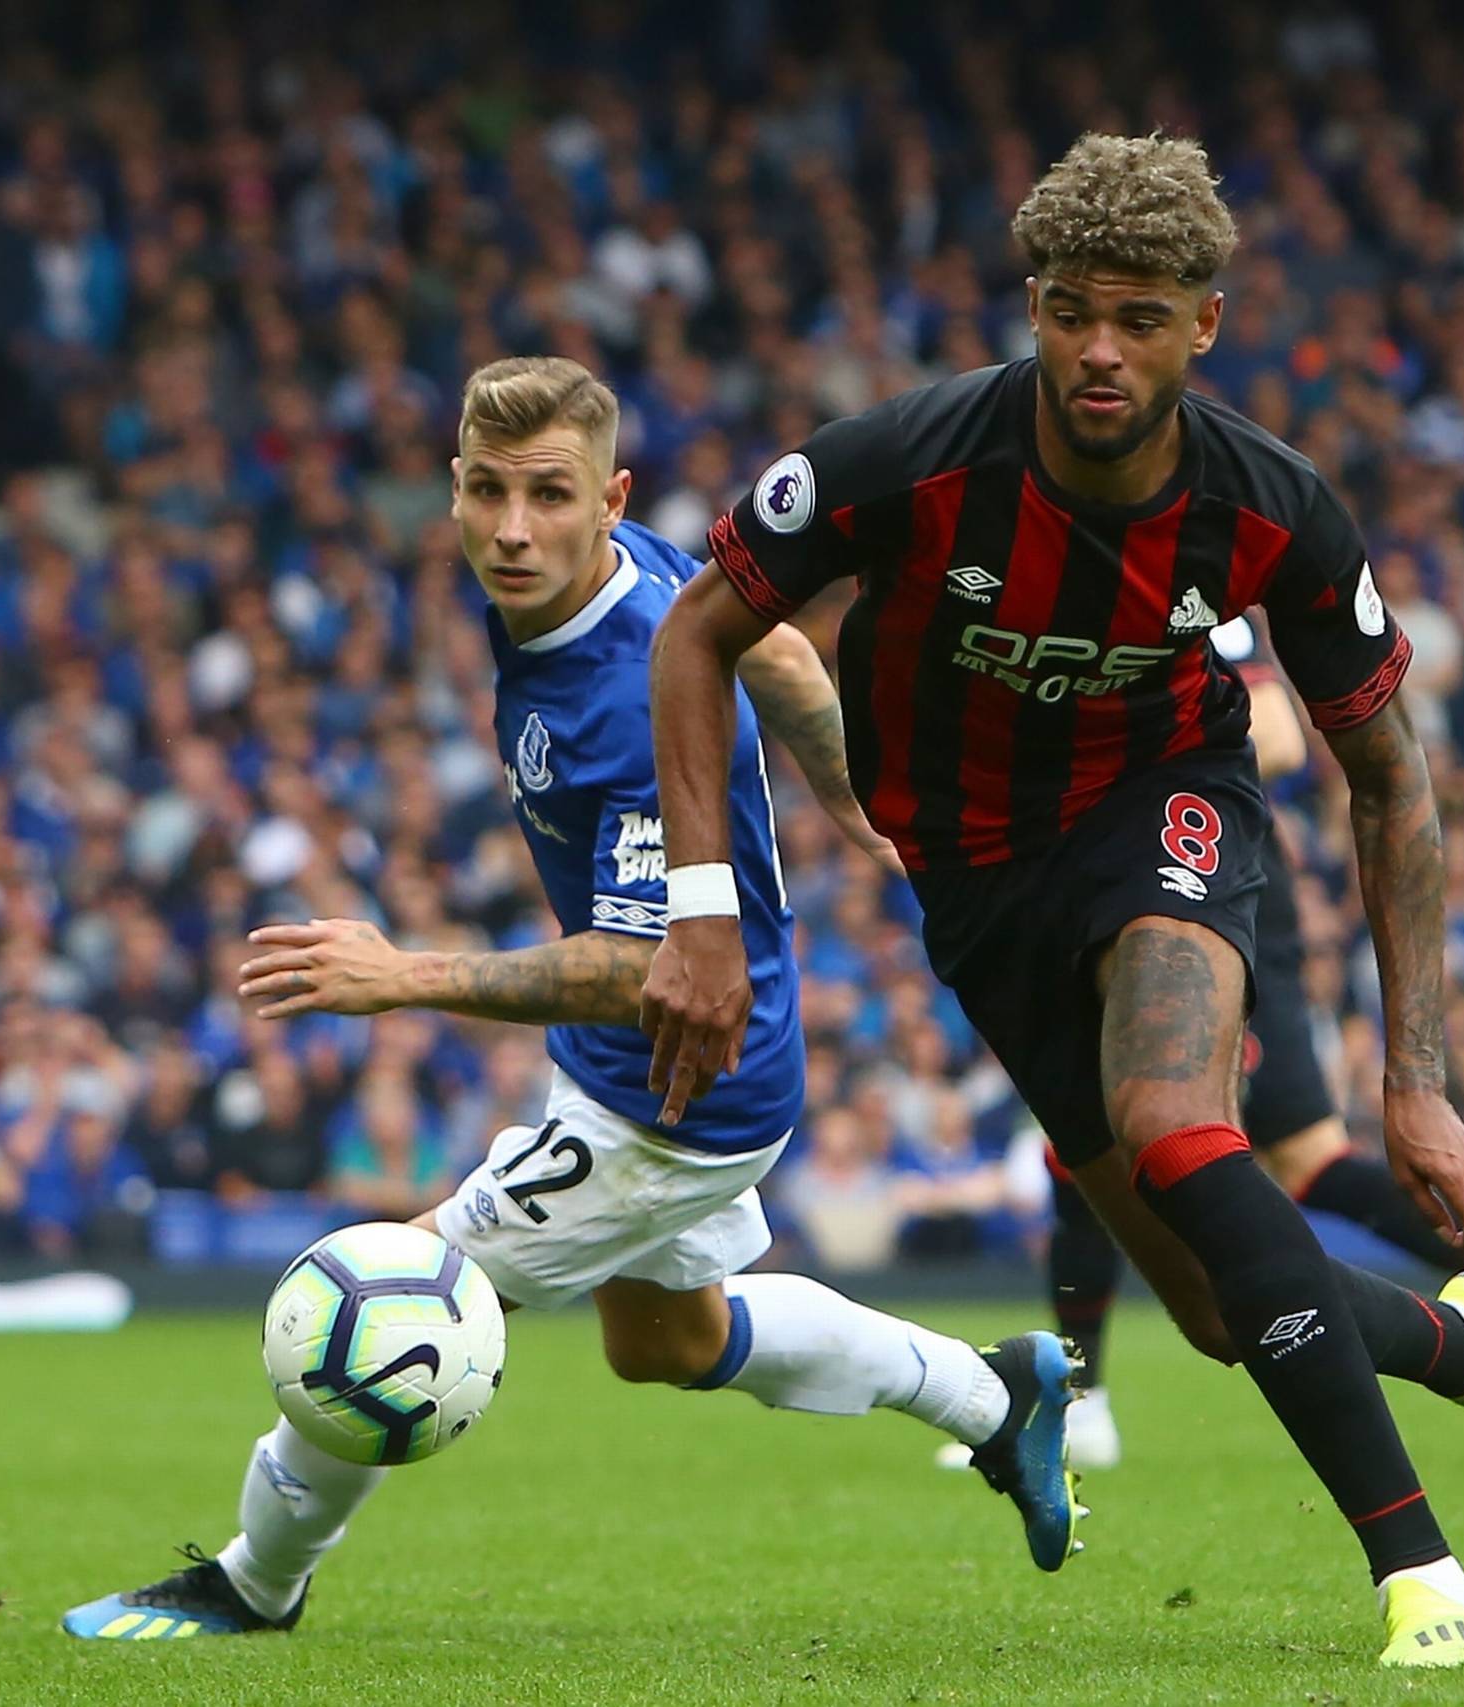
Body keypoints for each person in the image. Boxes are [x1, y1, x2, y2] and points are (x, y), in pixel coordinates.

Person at [645, 135, 1464, 1670]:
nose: (1098, 349)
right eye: (1067, 311)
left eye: (1139, 317)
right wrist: (699, 909)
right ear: (1033, 306)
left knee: (1184, 1124)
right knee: (1218, 1307)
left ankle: (1419, 1569)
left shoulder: (1274, 509)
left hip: (1163, 804)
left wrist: (1416, 1082)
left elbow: (1392, 778)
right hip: (974, 877)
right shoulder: (908, 460)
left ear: (1205, 325)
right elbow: (697, 631)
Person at [63, 357, 1083, 1642]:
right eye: (485, 491)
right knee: (664, 1342)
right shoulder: (634, 565)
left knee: (383, 1302)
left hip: (680, 1084)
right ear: (449, 490)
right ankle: (996, 1400)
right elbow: (768, 640)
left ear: (610, 498)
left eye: (546, 496)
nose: (509, 528)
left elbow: (632, 960)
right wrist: (848, 796)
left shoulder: (613, 692)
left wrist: (403, 977)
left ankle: (254, 1585)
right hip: (637, 1064)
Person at [939, 624, 1464, 1474]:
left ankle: (1086, 1400)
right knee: (1158, 1141)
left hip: (1205, 887)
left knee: (1187, 1142)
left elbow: (1277, 734)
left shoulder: (1191, 573)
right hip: (1131, 881)